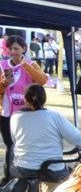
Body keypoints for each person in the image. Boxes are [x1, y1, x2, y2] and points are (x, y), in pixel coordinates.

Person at [8, 84, 81, 192]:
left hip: (24, 168)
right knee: (56, 175)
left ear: (25, 99)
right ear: (44, 99)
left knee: (15, 165)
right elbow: (79, 140)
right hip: (52, 169)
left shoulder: (16, 117)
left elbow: (15, 141)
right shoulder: (54, 117)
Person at [0, 35, 48, 178]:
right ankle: (9, 176)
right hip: (7, 113)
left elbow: (42, 80)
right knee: (11, 146)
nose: (13, 52)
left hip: (28, 113)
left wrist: (25, 64)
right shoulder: (2, 65)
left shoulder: (31, 64)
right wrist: (4, 84)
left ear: (24, 49)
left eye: (16, 48)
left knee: (26, 146)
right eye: (10, 49)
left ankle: (27, 176)